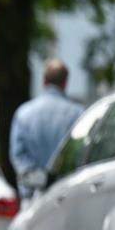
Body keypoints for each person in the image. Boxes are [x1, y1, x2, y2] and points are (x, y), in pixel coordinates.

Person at [9, 58, 84, 198]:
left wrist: (37, 180)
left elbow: (18, 155)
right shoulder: (78, 113)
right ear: (65, 83)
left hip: (32, 195)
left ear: (44, 81)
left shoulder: (23, 113)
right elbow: (81, 153)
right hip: (67, 194)